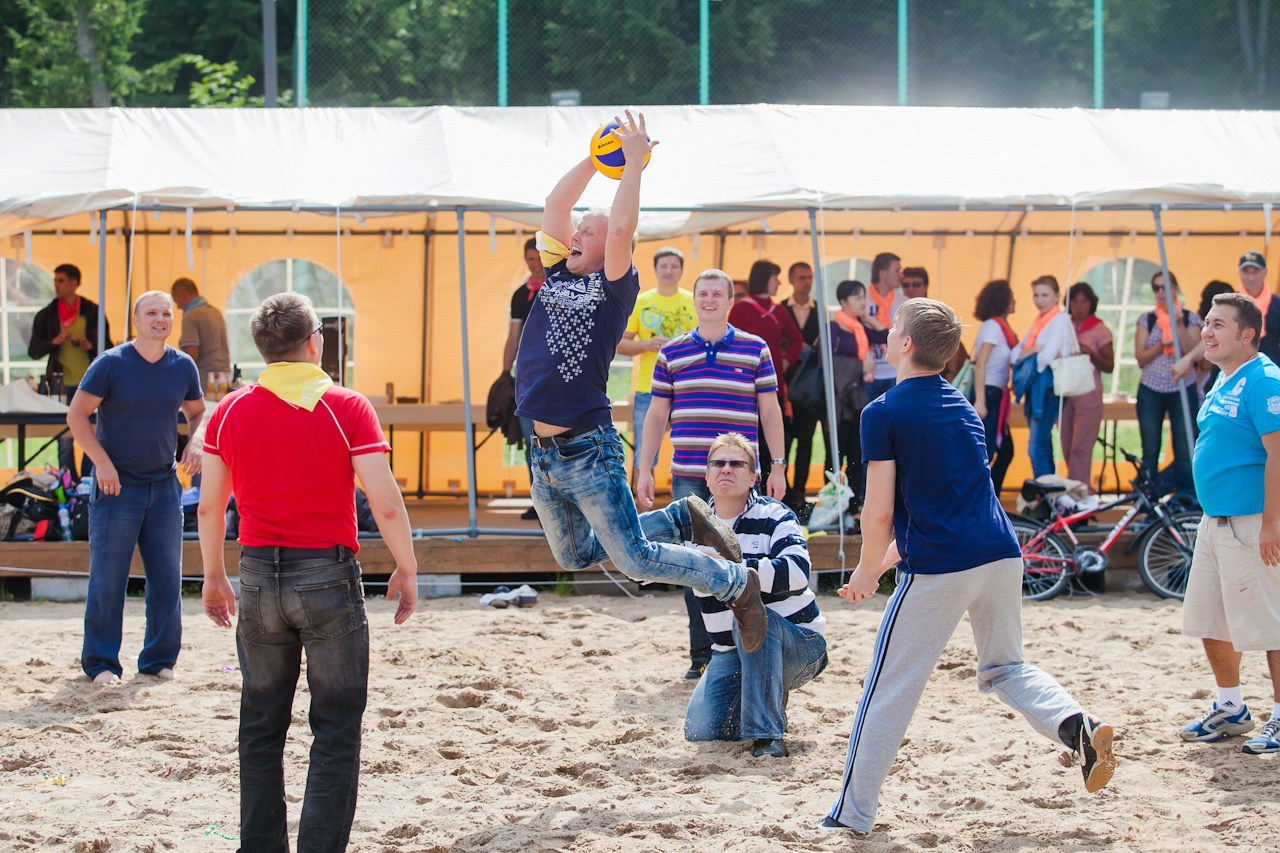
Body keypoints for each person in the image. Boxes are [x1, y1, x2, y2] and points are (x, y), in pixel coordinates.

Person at [821, 298, 1115, 835]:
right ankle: (1077, 724)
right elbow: (938, 507)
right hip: (1000, 556)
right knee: (1007, 669)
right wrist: (883, 564)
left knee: (889, 688)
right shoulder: (961, 407)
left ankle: (851, 815)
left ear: (906, 345)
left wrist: (867, 572)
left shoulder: (882, 410)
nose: (887, 334)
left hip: (941, 567)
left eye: (893, 329)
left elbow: (881, 511)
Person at [513, 111, 768, 653]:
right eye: (577, 230)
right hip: (542, 452)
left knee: (633, 560)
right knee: (574, 556)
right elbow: (556, 205)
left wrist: (631, 166)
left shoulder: (616, 287)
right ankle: (682, 515)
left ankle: (734, 582)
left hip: (586, 446)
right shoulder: (558, 270)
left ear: (610, 250)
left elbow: (623, 227)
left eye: (588, 230)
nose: (576, 232)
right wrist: (596, 155)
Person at [198, 291, 419, 851]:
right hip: (325, 573)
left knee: (260, 726)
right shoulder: (346, 406)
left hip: (257, 574)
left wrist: (213, 576)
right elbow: (387, 504)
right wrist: (406, 567)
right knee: (337, 727)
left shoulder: (229, 411)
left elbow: (209, 508)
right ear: (313, 340)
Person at [634, 269, 786, 679]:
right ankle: (704, 656)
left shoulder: (756, 349)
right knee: (694, 565)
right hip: (688, 472)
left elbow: (770, 411)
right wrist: (643, 467)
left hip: (739, 472)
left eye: (718, 293)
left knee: (743, 556)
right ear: (694, 299)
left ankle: (746, 648)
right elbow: (657, 414)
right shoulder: (673, 352)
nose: (709, 300)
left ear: (730, 300)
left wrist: (778, 465)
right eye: (703, 293)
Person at [67, 291, 204, 685]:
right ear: (136, 320)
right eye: (151, 313)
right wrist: (103, 464)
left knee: (166, 578)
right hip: (115, 487)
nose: (160, 319)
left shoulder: (183, 366)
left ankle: (159, 659)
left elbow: (198, 413)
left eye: (166, 313)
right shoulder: (110, 364)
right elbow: (77, 415)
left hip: (164, 487)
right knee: (108, 580)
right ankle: (101, 663)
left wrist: (195, 441)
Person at [681, 432, 827, 758]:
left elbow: (799, 572)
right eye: (717, 463)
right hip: (730, 653)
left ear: (753, 477)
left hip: (801, 645)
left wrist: (731, 567)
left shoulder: (776, 515)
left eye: (737, 464)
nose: (726, 470)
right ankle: (764, 692)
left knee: (749, 616)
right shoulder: (689, 529)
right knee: (701, 730)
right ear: (706, 476)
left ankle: (768, 737)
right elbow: (647, 563)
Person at [1179, 292, 1280, 756]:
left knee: (1272, 624)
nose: (1207, 332)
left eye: (1219, 325)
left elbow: (1278, 454)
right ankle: (1231, 708)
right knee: (1212, 619)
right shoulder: (1224, 380)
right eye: (1207, 323)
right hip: (1215, 522)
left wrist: (1272, 525)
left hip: (1253, 523)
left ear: (1248, 334)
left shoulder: (1263, 380)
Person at [28, 262, 112, 477]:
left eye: (61, 280)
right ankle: (67, 482)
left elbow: (110, 348)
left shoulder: (92, 311)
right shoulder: (46, 315)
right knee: (64, 437)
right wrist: (54, 341)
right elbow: (34, 351)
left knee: (91, 434)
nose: (56, 285)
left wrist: (90, 346)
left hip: (91, 385)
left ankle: (86, 481)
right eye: (55, 280)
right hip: (60, 386)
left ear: (74, 283)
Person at [617, 246, 695, 476]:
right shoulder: (641, 301)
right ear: (655, 270)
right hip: (648, 390)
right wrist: (646, 345)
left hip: (688, 389)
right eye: (664, 266)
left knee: (692, 453)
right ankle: (642, 510)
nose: (669, 271)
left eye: (674, 266)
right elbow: (620, 344)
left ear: (681, 270)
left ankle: (692, 508)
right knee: (644, 455)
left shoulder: (693, 300)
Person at [728, 260, 803, 484]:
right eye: (775, 277)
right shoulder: (742, 308)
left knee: (773, 442)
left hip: (773, 387)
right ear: (764, 278)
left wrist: (785, 361)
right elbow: (730, 342)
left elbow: (796, 340)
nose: (779, 283)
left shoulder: (777, 310)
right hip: (744, 390)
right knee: (747, 443)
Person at [1134, 271, 1201, 500]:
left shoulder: (1191, 319)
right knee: (1150, 449)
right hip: (1151, 389)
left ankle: (1186, 497)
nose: (1161, 292)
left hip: (1182, 387)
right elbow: (1140, 358)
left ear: (1175, 288)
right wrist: (1162, 344)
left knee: (1185, 448)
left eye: (1166, 286)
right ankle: (1147, 500)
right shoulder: (1147, 320)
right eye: (1156, 288)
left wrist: (1179, 324)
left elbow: (1196, 352)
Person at [501, 237, 547, 520]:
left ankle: (562, 501)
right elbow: (513, 338)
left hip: (555, 377)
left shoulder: (561, 288)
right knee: (533, 441)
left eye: (539, 258)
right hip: (527, 377)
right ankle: (539, 500)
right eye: (530, 259)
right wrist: (504, 374)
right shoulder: (521, 295)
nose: (535, 264)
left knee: (558, 441)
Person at [1012, 275, 1074, 478]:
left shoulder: (1060, 320)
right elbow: (1015, 354)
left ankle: (1045, 494)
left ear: (1057, 296)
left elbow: (1043, 359)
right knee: (1042, 444)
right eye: (1036, 295)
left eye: (1045, 295)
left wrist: (1032, 352)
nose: (1040, 300)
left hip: (1047, 388)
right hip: (1036, 388)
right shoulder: (1039, 322)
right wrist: (1035, 350)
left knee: (1037, 446)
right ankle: (1048, 492)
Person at [782, 261, 829, 510]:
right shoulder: (781, 309)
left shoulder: (820, 311)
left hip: (811, 389)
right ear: (791, 279)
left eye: (810, 277)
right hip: (786, 387)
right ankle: (785, 491)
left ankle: (800, 492)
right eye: (801, 277)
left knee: (807, 441)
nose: (806, 282)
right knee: (785, 442)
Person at [827, 280, 876, 514]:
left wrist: (868, 319)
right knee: (835, 453)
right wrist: (860, 365)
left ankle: (854, 505)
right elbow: (824, 362)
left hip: (857, 398)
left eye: (864, 297)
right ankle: (833, 504)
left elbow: (885, 335)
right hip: (837, 401)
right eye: (857, 298)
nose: (863, 302)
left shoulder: (860, 328)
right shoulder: (833, 328)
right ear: (843, 302)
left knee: (857, 453)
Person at [1059, 283, 1114, 490]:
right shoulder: (1065, 326)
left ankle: (1077, 498)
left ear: (1091, 303)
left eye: (1083, 301)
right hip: (1065, 393)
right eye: (1074, 301)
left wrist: (1091, 354)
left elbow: (1109, 365)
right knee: (1066, 445)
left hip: (1089, 394)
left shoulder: (1100, 329)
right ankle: (1080, 491)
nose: (1079, 305)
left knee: (1080, 448)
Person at [972, 279, 1018, 493]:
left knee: (1005, 450)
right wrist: (980, 401)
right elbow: (980, 363)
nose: (1014, 300)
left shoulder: (1000, 326)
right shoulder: (993, 326)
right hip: (988, 391)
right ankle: (982, 497)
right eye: (1010, 296)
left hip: (996, 392)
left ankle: (992, 496)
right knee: (987, 451)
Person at [901, 266, 969, 382]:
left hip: (937, 374)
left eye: (916, 284)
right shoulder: (899, 312)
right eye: (906, 285)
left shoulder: (933, 310)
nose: (911, 289)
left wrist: (950, 373)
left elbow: (953, 340)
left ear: (926, 286)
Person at [170, 277, 230, 385]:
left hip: (205, 381)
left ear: (182, 295)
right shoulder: (215, 312)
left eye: (176, 301)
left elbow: (192, 354)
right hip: (224, 377)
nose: (178, 307)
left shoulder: (191, 316)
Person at [864, 252, 905, 401]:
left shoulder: (903, 302)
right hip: (867, 373)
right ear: (882, 273)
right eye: (897, 270)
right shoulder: (861, 300)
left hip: (894, 372)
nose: (902, 275)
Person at [1236, 252, 1280, 365]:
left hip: (1273, 369)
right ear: (1239, 272)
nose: (1251, 277)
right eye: (1246, 271)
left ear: (1265, 272)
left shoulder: (1277, 304)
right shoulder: (1231, 304)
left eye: (1255, 271)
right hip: (1237, 367)